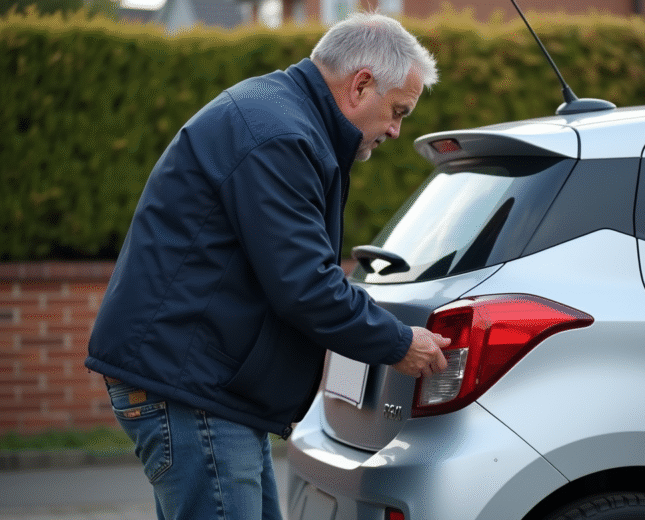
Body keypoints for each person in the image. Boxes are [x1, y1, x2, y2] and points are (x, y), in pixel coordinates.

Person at [85, 12, 450, 520]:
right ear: (360, 84)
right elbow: (305, 285)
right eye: (398, 110)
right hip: (194, 391)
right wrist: (399, 343)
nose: (394, 128)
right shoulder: (279, 135)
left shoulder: (282, 116)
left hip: (207, 388)